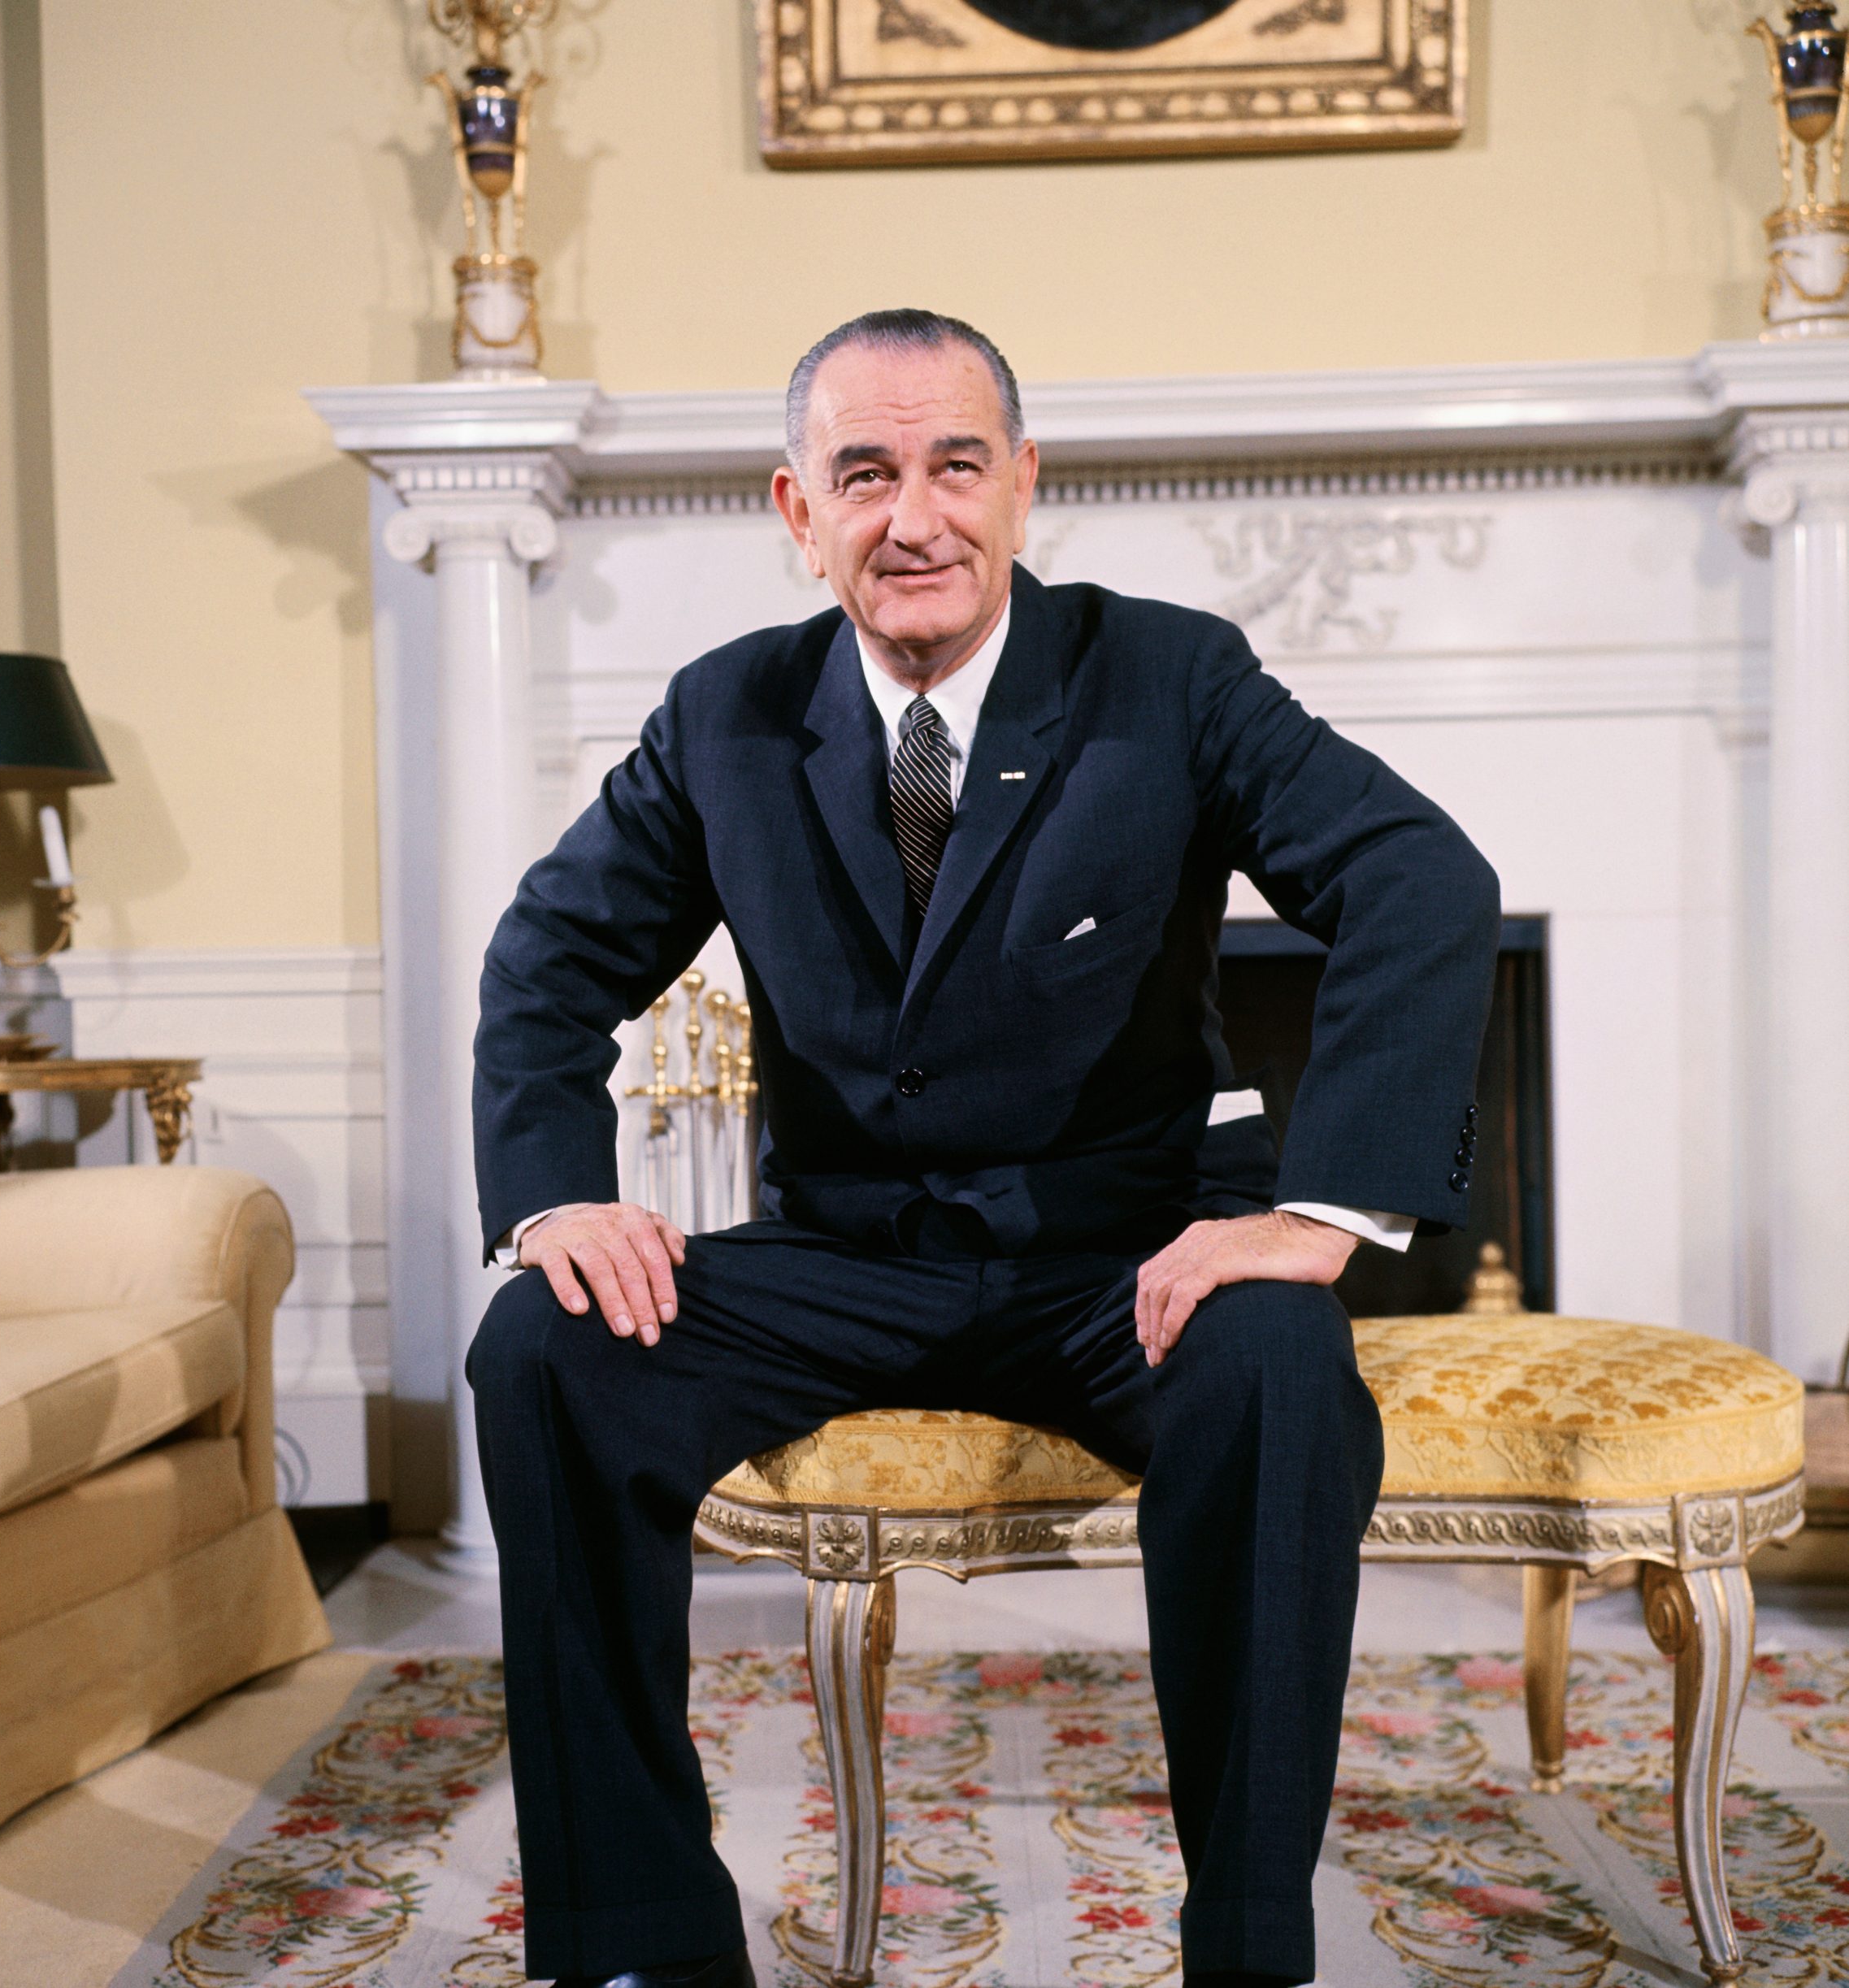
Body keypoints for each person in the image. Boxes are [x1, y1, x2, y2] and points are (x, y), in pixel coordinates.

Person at [468, 309, 1500, 1988]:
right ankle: (641, 1932)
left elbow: (1417, 879)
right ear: (797, 513)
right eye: (862, 473)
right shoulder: (722, 713)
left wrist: (1317, 1211)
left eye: (955, 463)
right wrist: (553, 1192)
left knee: (1277, 1356)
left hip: (1127, 1254)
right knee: (543, 1344)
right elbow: (548, 958)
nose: (915, 516)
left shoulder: (1167, 676)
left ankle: (1245, 1936)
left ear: (1024, 484)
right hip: (843, 1259)